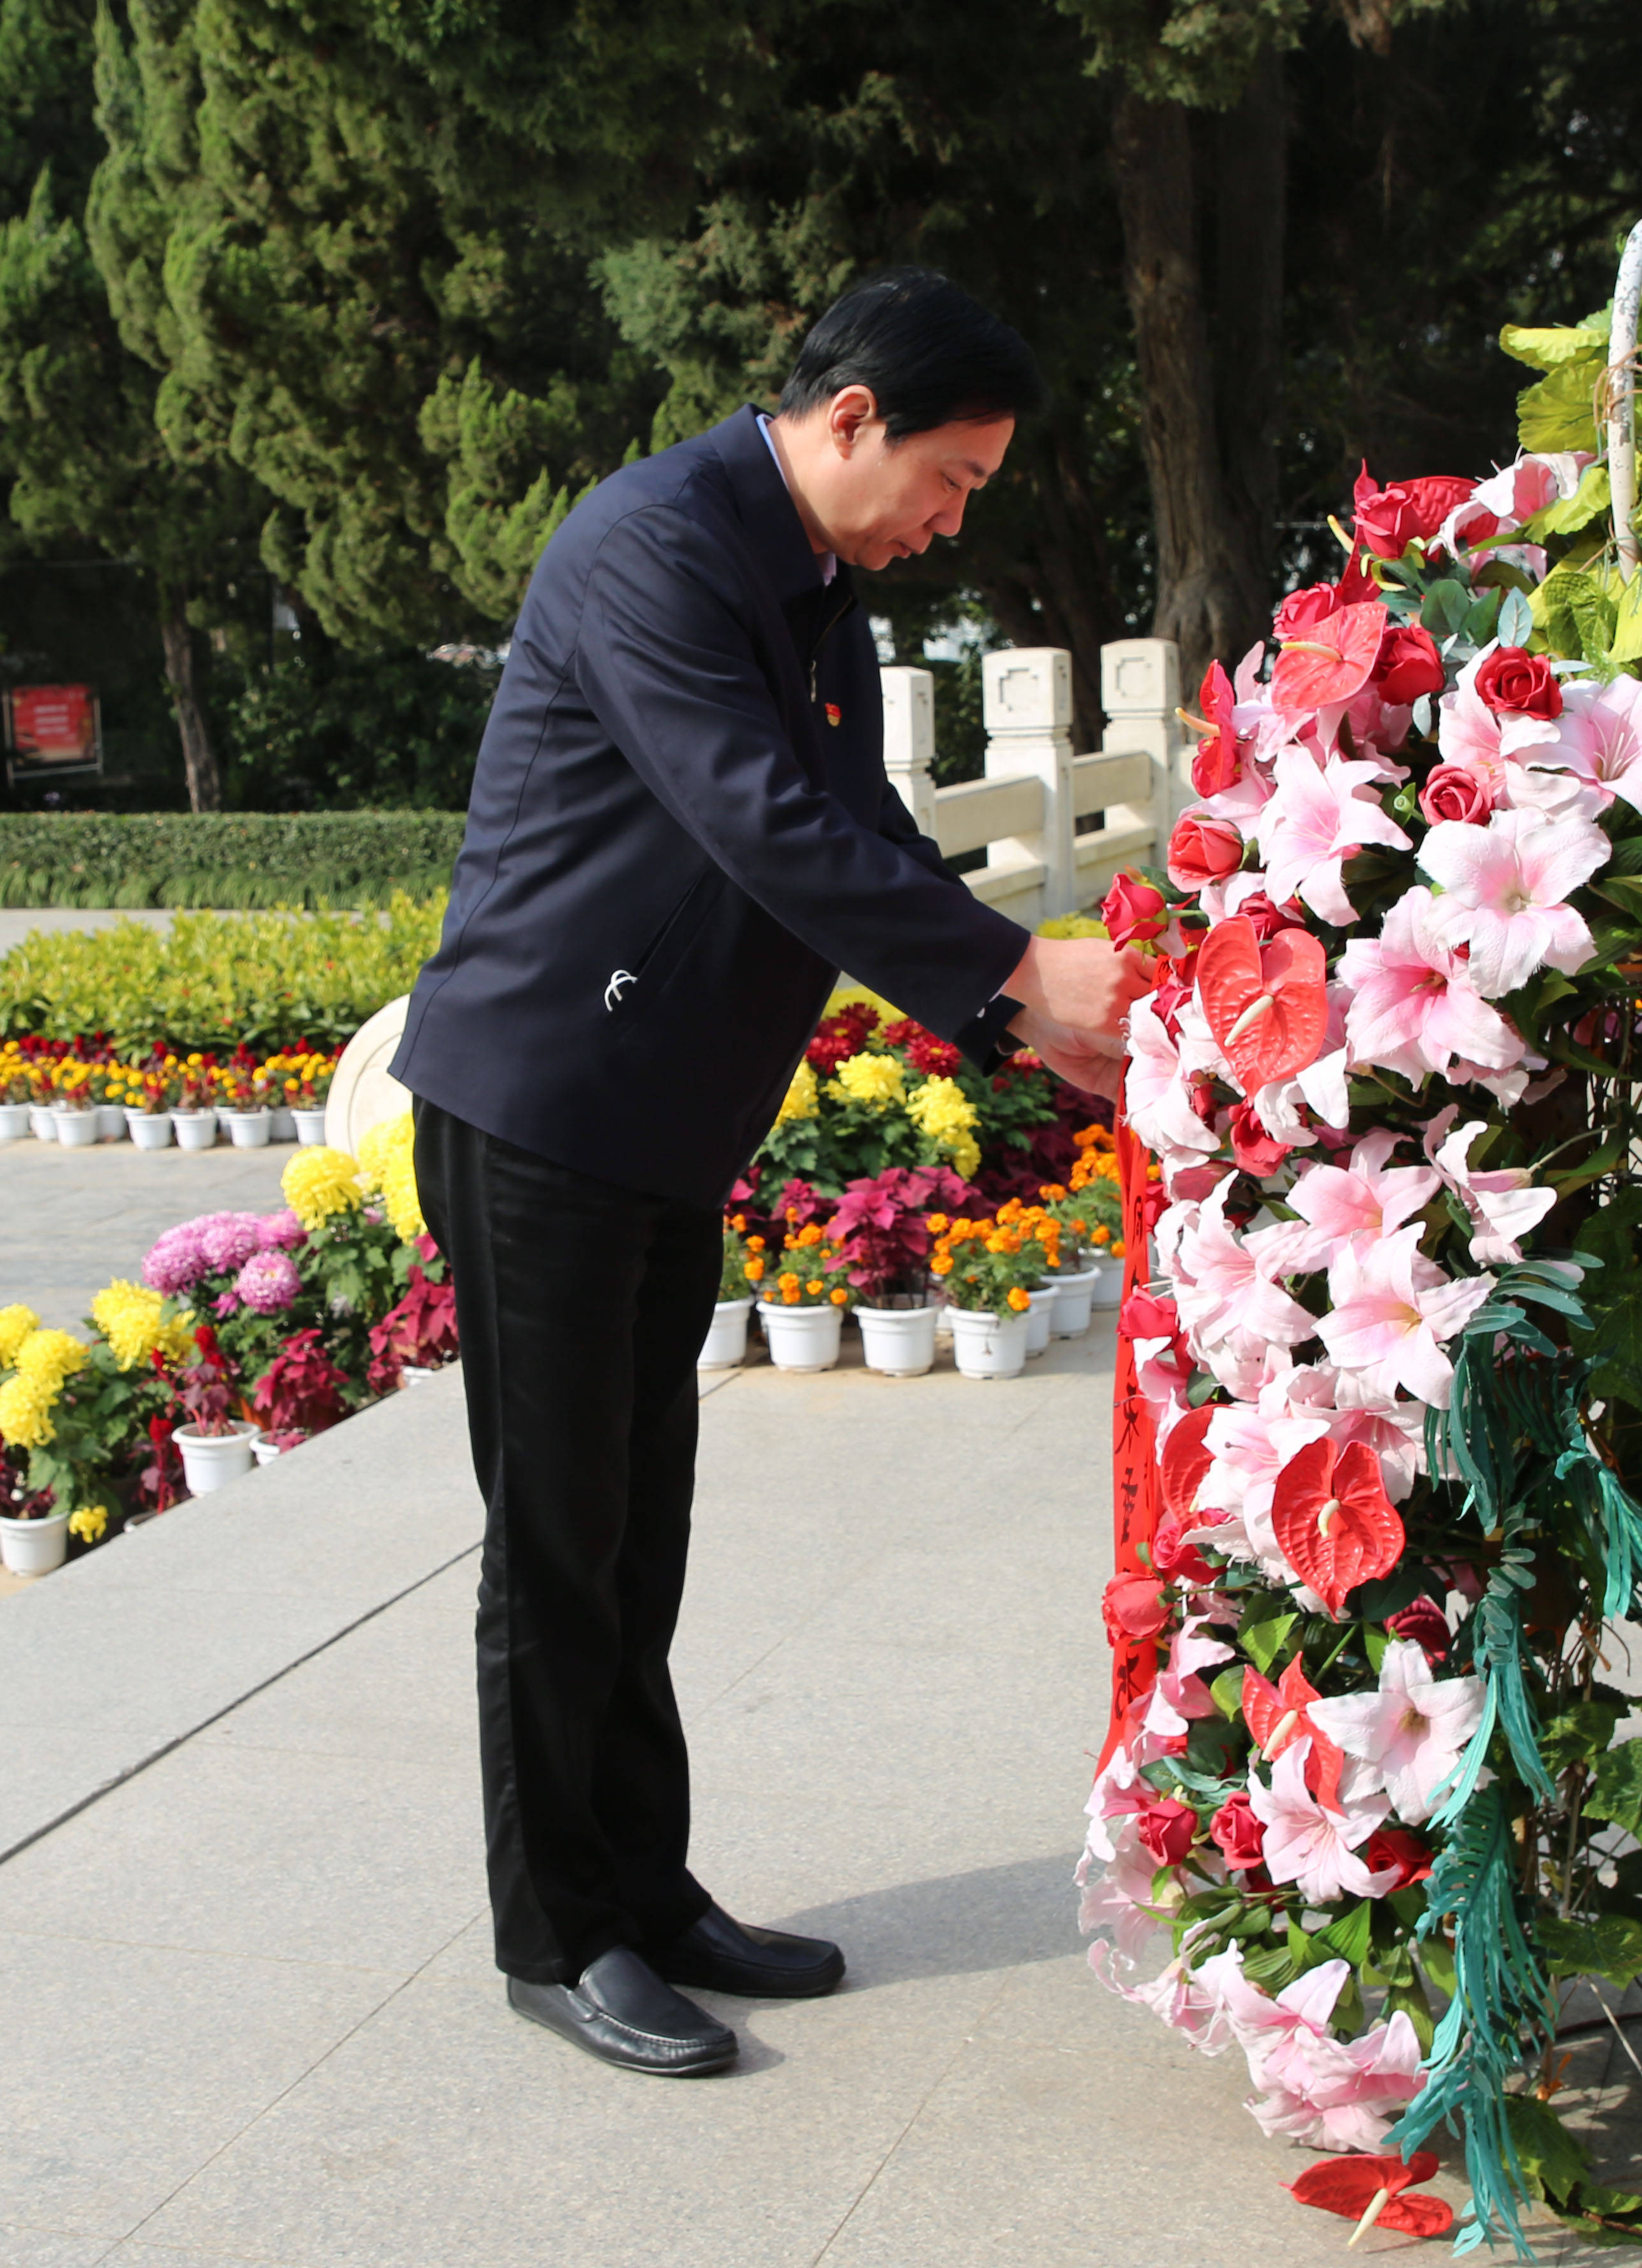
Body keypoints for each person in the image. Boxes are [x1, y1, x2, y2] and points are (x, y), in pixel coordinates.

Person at [391, 269, 1144, 2078]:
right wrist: (1020, 971)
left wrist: (1019, 1005)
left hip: (656, 1116)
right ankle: (557, 1937)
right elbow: (757, 816)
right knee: (559, 1544)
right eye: (954, 478)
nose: (957, 522)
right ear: (854, 417)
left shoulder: (820, 591)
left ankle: (648, 1891)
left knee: (638, 1534)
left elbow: (862, 830)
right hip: (543, 1100)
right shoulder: (651, 546)